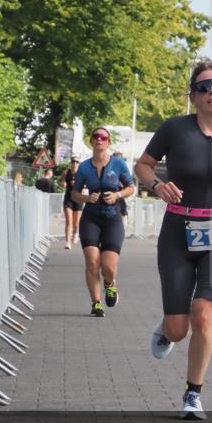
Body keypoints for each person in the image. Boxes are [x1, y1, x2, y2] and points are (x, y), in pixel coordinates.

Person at [134, 59, 212, 420]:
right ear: (193, 96)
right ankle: (168, 328)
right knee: (179, 328)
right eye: (203, 87)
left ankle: (192, 394)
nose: (211, 93)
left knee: (203, 315)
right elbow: (142, 165)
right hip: (177, 233)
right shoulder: (174, 129)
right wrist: (156, 184)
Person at [70, 128, 135, 317]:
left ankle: (109, 283)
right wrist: (87, 198)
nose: (99, 140)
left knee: (108, 266)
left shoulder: (118, 164)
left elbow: (131, 188)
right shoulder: (84, 167)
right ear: (91, 141)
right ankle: (96, 303)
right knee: (92, 262)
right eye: (96, 137)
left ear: (108, 142)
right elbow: (74, 193)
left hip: (112, 219)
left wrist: (117, 195)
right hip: (90, 218)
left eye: (103, 137)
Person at [61, 159, 83, 248]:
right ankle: (67, 242)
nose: (75, 163)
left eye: (77, 162)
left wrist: (78, 184)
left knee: (76, 223)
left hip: (78, 199)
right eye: (73, 161)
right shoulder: (66, 172)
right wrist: (63, 184)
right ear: (71, 163)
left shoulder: (82, 174)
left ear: (79, 164)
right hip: (68, 199)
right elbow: (61, 181)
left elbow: (87, 185)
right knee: (69, 221)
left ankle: (75, 234)